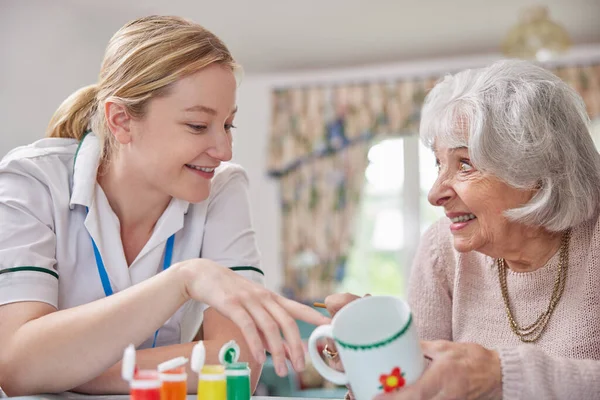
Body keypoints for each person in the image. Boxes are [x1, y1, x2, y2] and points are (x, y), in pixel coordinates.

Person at [0, 15, 329, 397]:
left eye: (227, 125)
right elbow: (17, 364)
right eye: (197, 126)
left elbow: (236, 364)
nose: (223, 151)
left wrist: (62, 368)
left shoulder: (221, 188)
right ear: (121, 120)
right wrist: (184, 279)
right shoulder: (31, 182)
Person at [325, 59, 600, 399]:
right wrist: (372, 350)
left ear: (538, 173)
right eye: (439, 164)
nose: (435, 193)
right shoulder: (443, 248)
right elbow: (420, 383)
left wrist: (503, 374)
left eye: (464, 164)